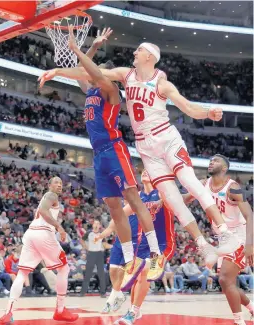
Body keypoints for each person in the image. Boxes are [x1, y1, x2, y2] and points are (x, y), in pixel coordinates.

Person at [39, 36, 240, 267]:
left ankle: (224, 232)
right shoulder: (126, 75)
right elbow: (89, 74)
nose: (133, 53)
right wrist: (57, 71)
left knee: (190, 182)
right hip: (145, 145)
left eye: (138, 50)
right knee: (173, 200)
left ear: (149, 57)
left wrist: (207, 113)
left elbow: (187, 107)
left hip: (166, 138)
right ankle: (203, 245)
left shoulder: (162, 83)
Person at [39, 28, 165, 288]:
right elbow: (82, 73)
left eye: (94, 72)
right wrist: (89, 50)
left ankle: (155, 253)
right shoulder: (90, 91)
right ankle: (130, 258)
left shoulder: (110, 90)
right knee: (113, 206)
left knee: (132, 197)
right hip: (99, 156)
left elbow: (90, 72)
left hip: (114, 149)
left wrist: (76, 51)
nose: (89, 76)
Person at [184, 154, 253, 325]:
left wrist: (250, 244)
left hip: (237, 236)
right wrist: (164, 197)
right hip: (223, 239)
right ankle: (252, 309)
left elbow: (250, 215)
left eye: (216, 160)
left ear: (224, 168)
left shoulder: (233, 188)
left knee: (224, 279)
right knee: (226, 282)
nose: (211, 162)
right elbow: (185, 199)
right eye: (211, 160)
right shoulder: (203, 184)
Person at [96, 170, 176, 325]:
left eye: (149, 170)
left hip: (162, 243)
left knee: (145, 273)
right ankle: (134, 311)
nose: (146, 171)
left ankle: (132, 313)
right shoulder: (139, 198)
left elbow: (177, 200)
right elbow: (121, 213)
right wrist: (107, 230)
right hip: (144, 244)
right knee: (138, 277)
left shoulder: (161, 192)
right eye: (144, 170)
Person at [0, 177, 78, 325]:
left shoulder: (48, 197)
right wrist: (59, 227)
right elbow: (42, 210)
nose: (59, 185)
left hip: (31, 234)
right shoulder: (50, 195)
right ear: (49, 185)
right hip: (43, 233)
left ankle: (8, 312)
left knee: (22, 274)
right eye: (56, 182)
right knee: (64, 269)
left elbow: (42, 210)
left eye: (61, 183)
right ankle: (60, 310)